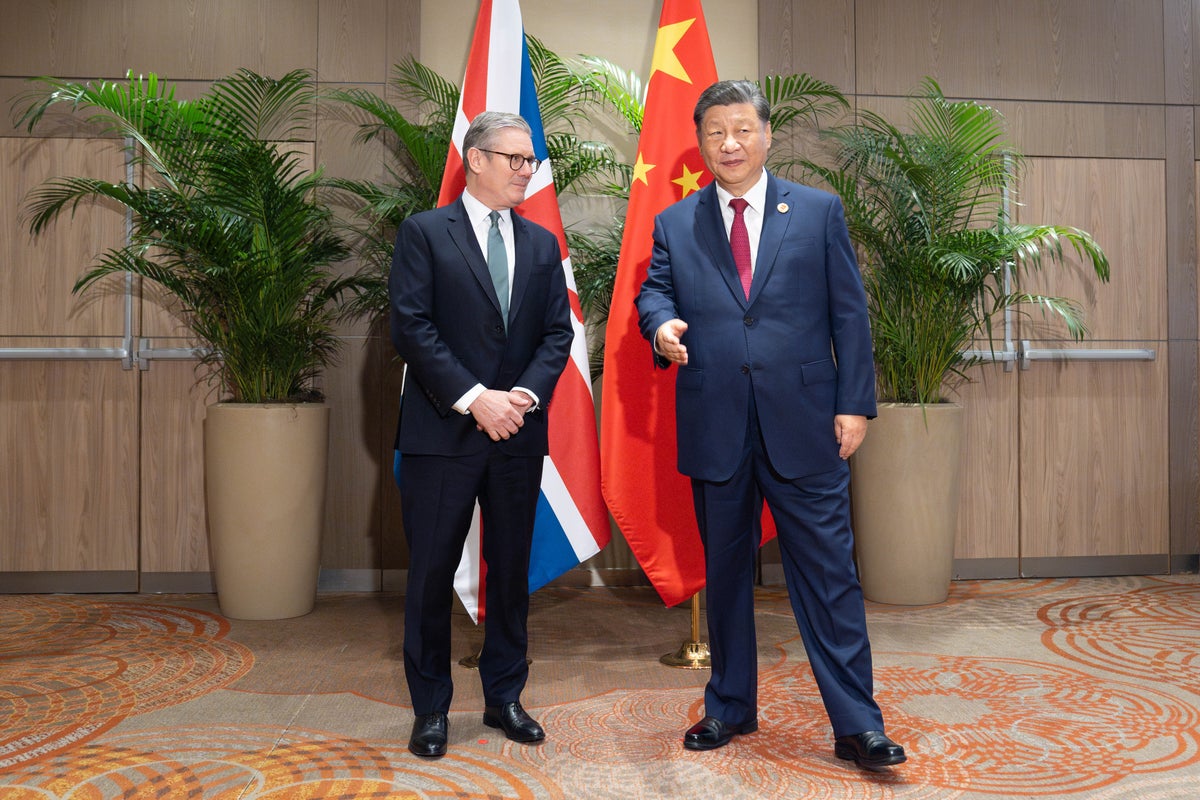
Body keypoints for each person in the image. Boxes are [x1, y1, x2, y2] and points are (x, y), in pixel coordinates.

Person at [635, 80, 906, 770]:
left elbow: (849, 313)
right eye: (716, 132)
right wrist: (660, 325)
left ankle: (857, 724)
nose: (729, 143)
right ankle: (729, 706)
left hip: (807, 423)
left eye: (742, 129)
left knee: (829, 577)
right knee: (726, 576)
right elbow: (654, 291)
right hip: (716, 423)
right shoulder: (676, 222)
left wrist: (854, 403)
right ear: (700, 142)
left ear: (767, 135)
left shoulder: (817, 211)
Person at [389, 110, 573, 759]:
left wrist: (523, 396)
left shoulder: (542, 244)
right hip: (443, 432)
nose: (527, 171)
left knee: (511, 571)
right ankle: (431, 708)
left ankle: (505, 696)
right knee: (430, 574)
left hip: (518, 432)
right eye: (515, 159)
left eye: (531, 160)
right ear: (476, 160)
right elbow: (411, 327)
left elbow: (557, 334)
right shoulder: (424, 232)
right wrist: (476, 399)